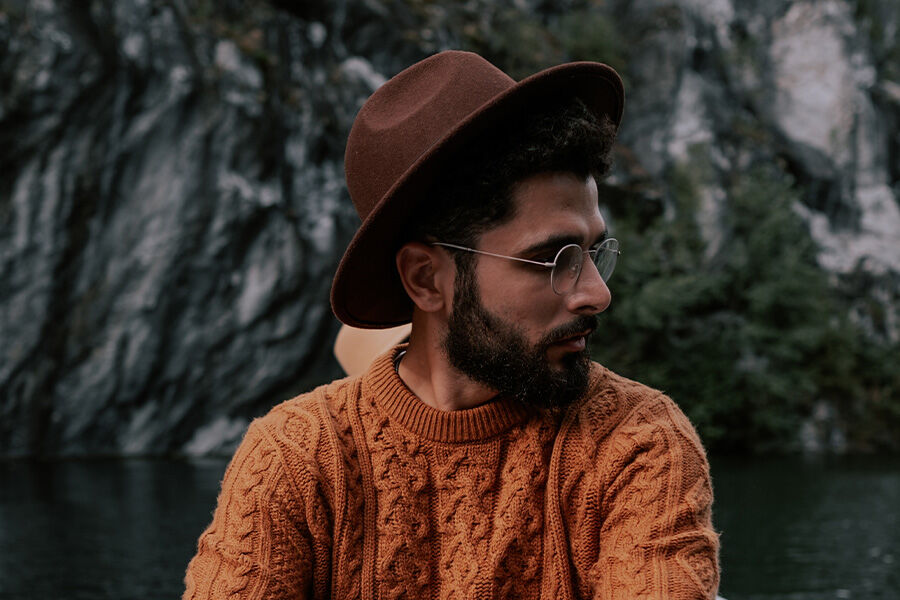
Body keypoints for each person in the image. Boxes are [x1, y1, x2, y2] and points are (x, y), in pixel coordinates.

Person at [183, 50, 719, 599]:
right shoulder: (294, 458)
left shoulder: (635, 440)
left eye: (594, 252)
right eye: (552, 259)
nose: (597, 294)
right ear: (426, 279)